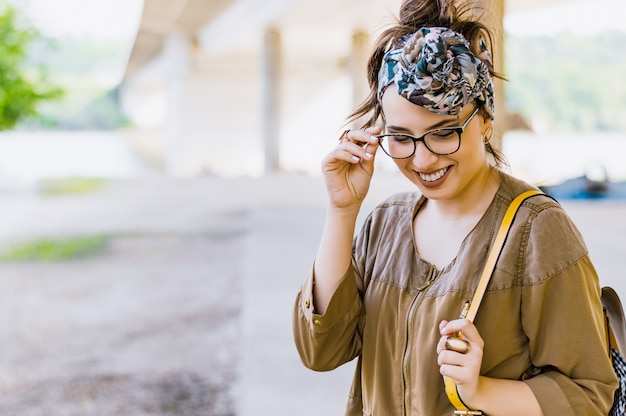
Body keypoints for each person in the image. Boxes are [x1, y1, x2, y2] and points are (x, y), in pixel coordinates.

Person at [292, 0, 618, 415]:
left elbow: (588, 395)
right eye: (401, 137)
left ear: (485, 121)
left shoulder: (538, 231)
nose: (423, 159)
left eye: (444, 133)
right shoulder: (385, 224)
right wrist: (342, 210)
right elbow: (321, 351)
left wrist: (479, 391)